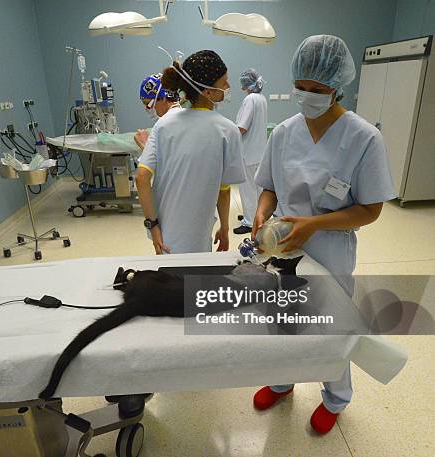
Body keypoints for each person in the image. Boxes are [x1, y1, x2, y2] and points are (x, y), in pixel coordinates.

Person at [251, 35, 396, 434]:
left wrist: (313, 225)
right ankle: (282, 380)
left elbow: (371, 209)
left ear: (337, 86)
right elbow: (269, 186)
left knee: (330, 325)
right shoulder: (283, 132)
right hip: (281, 244)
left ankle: (335, 397)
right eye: (301, 87)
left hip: (330, 247)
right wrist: (263, 213)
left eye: (317, 90)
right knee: (283, 318)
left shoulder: (364, 138)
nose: (308, 96)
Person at [135, 50, 245, 254]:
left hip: (165, 235)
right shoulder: (227, 130)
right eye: (224, 83)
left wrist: (153, 225)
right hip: (198, 234)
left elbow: (142, 178)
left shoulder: (164, 123)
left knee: (169, 283)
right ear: (207, 91)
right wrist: (224, 227)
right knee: (196, 281)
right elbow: (223, 188)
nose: (228, 87)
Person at [233, 68, 268, 235]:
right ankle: (259, 216)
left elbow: (242, 127)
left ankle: (248, 222)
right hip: (259, 152)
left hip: (247, 152)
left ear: (246, 83)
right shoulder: (261, 99)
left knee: (247, 189)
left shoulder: (250, 99)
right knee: (258, 188)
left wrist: (228, 135)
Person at [134, 73, 182, 150]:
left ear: (163, 98)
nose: (147, 109)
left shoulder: (165, 125)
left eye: (148, 104)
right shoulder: (184, 116)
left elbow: (164, 161)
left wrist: (144, 144)